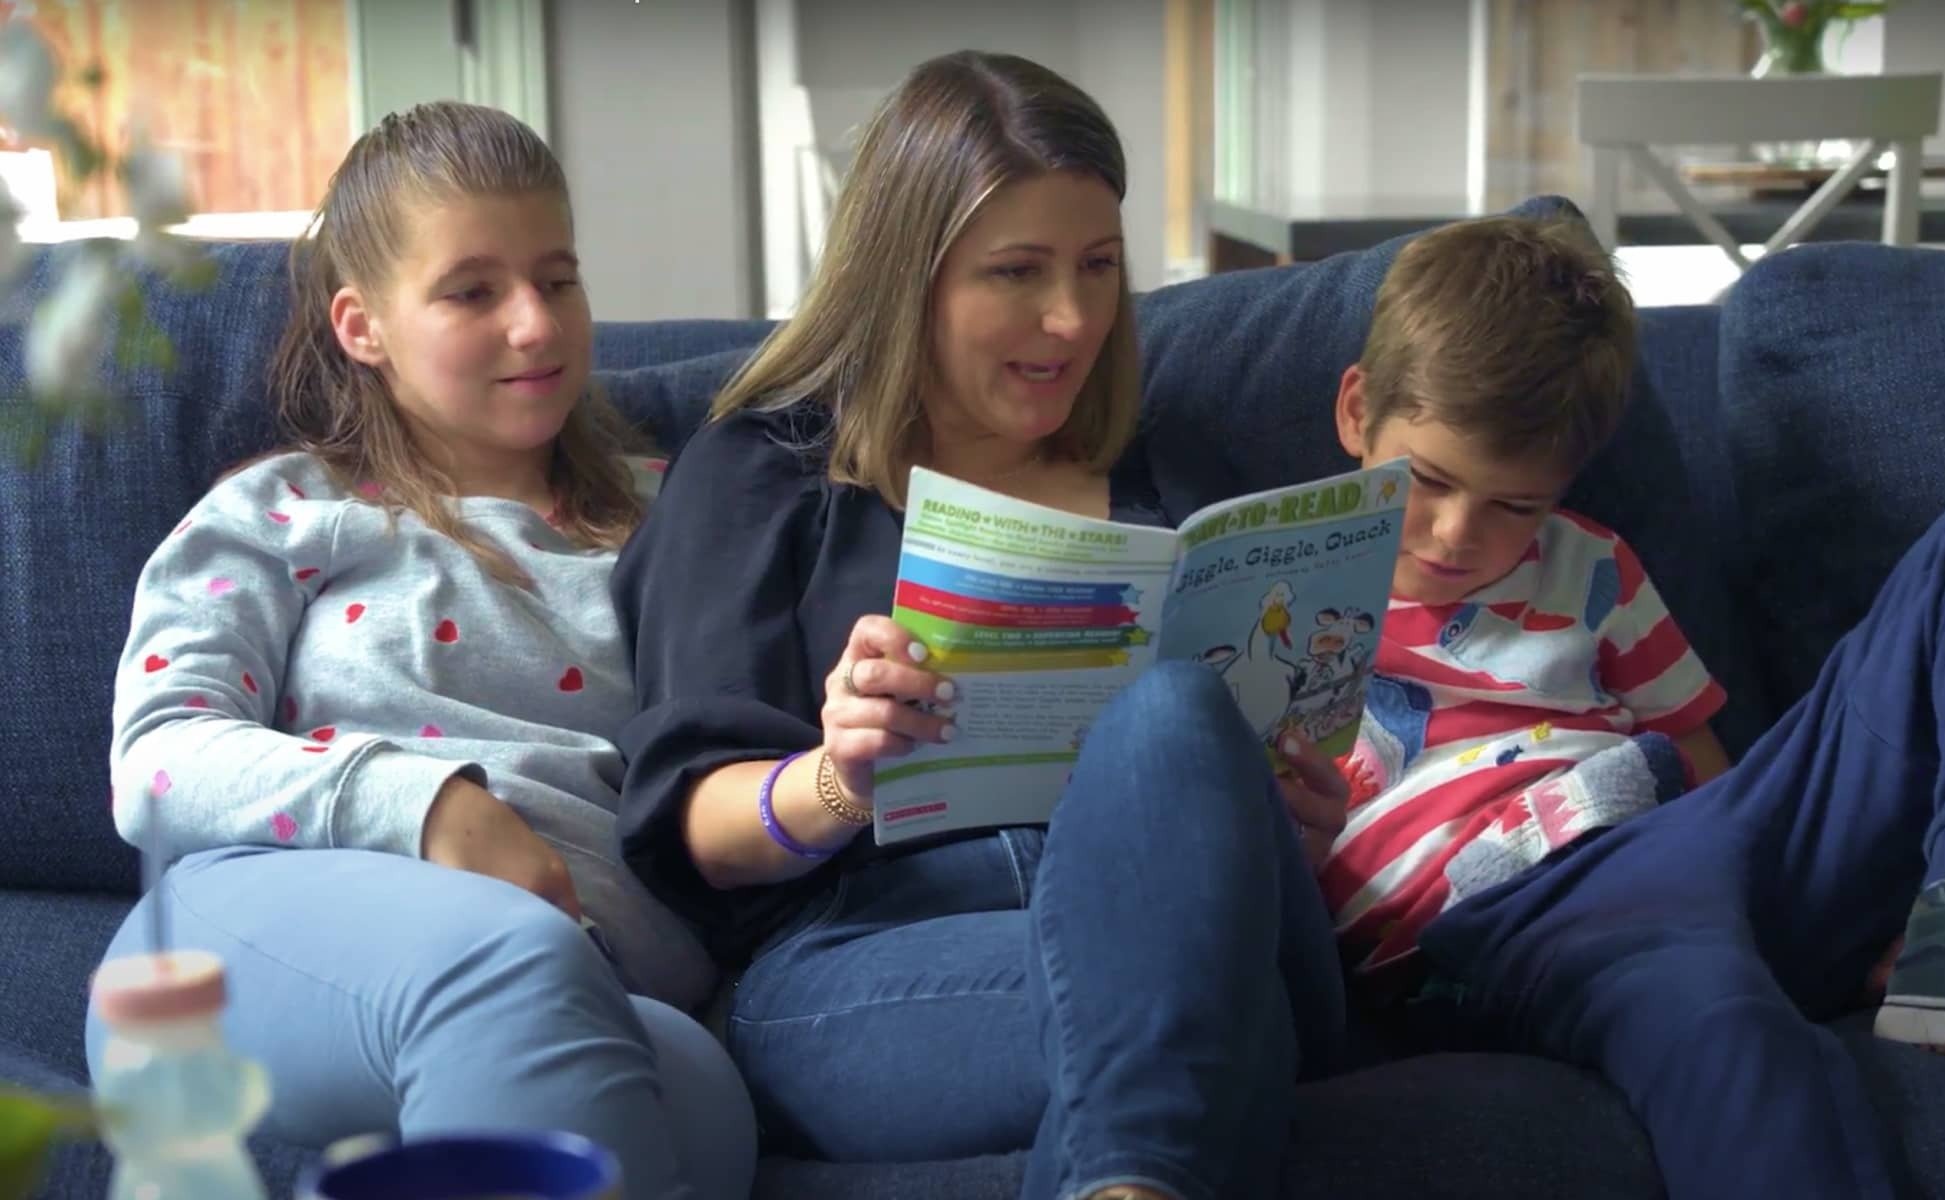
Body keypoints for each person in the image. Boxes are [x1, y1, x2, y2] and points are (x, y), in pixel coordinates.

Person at [614, 51, 1351, 1200]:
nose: (1072, 319)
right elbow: (695, 828)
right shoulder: (763, 476)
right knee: (1209, 1028)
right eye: (1017, 271)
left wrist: (1289, 813)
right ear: (907, 278)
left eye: (1099, 266)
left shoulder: (1166, 470)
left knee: (1175, 717)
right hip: (872, 945)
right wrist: (841, 775)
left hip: (1185, 905)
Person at [1320, 213, 1945, 1199]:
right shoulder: (1283, 596)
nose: (1453, 534)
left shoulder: (1591, 564)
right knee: (1720, 1023)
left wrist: (1820, 879)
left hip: (1699, 845)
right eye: (1428, 480)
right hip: (1520, 909)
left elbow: (1706, 763)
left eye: (1515, 505)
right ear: (1358, 410)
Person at [91, 101, 756, 1200]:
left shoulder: (679, 518)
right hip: (258, 926)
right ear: (364, 326)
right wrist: (432, 807)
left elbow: (732, 765)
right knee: (514, 969)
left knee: (705, 1103)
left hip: (602, 983)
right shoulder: (285, 510)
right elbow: (157, 762)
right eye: (473, 292)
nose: (536, 326)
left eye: (558, 279)